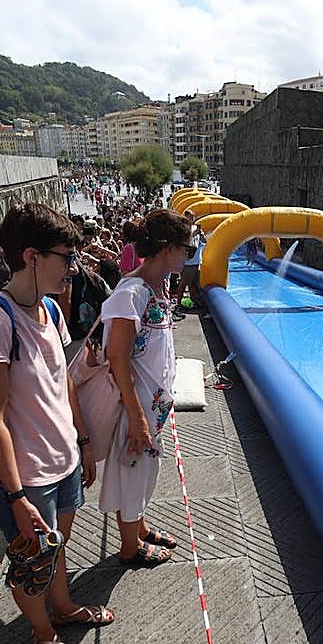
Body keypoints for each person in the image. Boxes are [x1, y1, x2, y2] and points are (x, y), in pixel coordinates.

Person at [0, 202, 113, 644]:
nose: (74, 267)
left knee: (56, 548)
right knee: (32, 566)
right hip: (23, 479)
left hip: (62, 459)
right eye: (66, 257)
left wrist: (83, 442)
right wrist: (15, 497)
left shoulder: (48, 307)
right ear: (32, 256)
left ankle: (62, 608)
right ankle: (42, 632)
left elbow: (62, 379)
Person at [98, 209, 195, 566]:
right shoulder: (131, 293)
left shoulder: (155, 288)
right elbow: (117, 357)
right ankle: (129, 547)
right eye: (187, 248)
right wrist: (137, 416)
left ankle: (138, 527)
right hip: (135, 405)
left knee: (143, 468)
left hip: (151, 406)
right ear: (168, 248)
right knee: (132, 469)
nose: (189, 255)